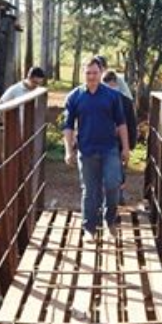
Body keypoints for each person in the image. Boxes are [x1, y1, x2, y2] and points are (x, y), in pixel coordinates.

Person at [63, 58, 130, 244]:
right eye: (88, 73)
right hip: (86, 150)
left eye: (94, 73)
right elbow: (67, 126)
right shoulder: (75, 96)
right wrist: (68, 150)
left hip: (109, 149)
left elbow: (121, 123)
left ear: (101, 73)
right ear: (83, 74)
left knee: (112, 185)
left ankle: (109, 224)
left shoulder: (112, 96)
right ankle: (89, 229)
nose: (91, 76)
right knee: (89, 190)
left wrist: (125, 147)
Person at [103, 69, 138, 205]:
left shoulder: (126, 102)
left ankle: (118, 196)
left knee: (118, 171)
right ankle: (106, 201)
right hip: (103, 142)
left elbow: (131, 124)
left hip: (118, 143)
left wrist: (130, 145)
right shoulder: (99, 100)